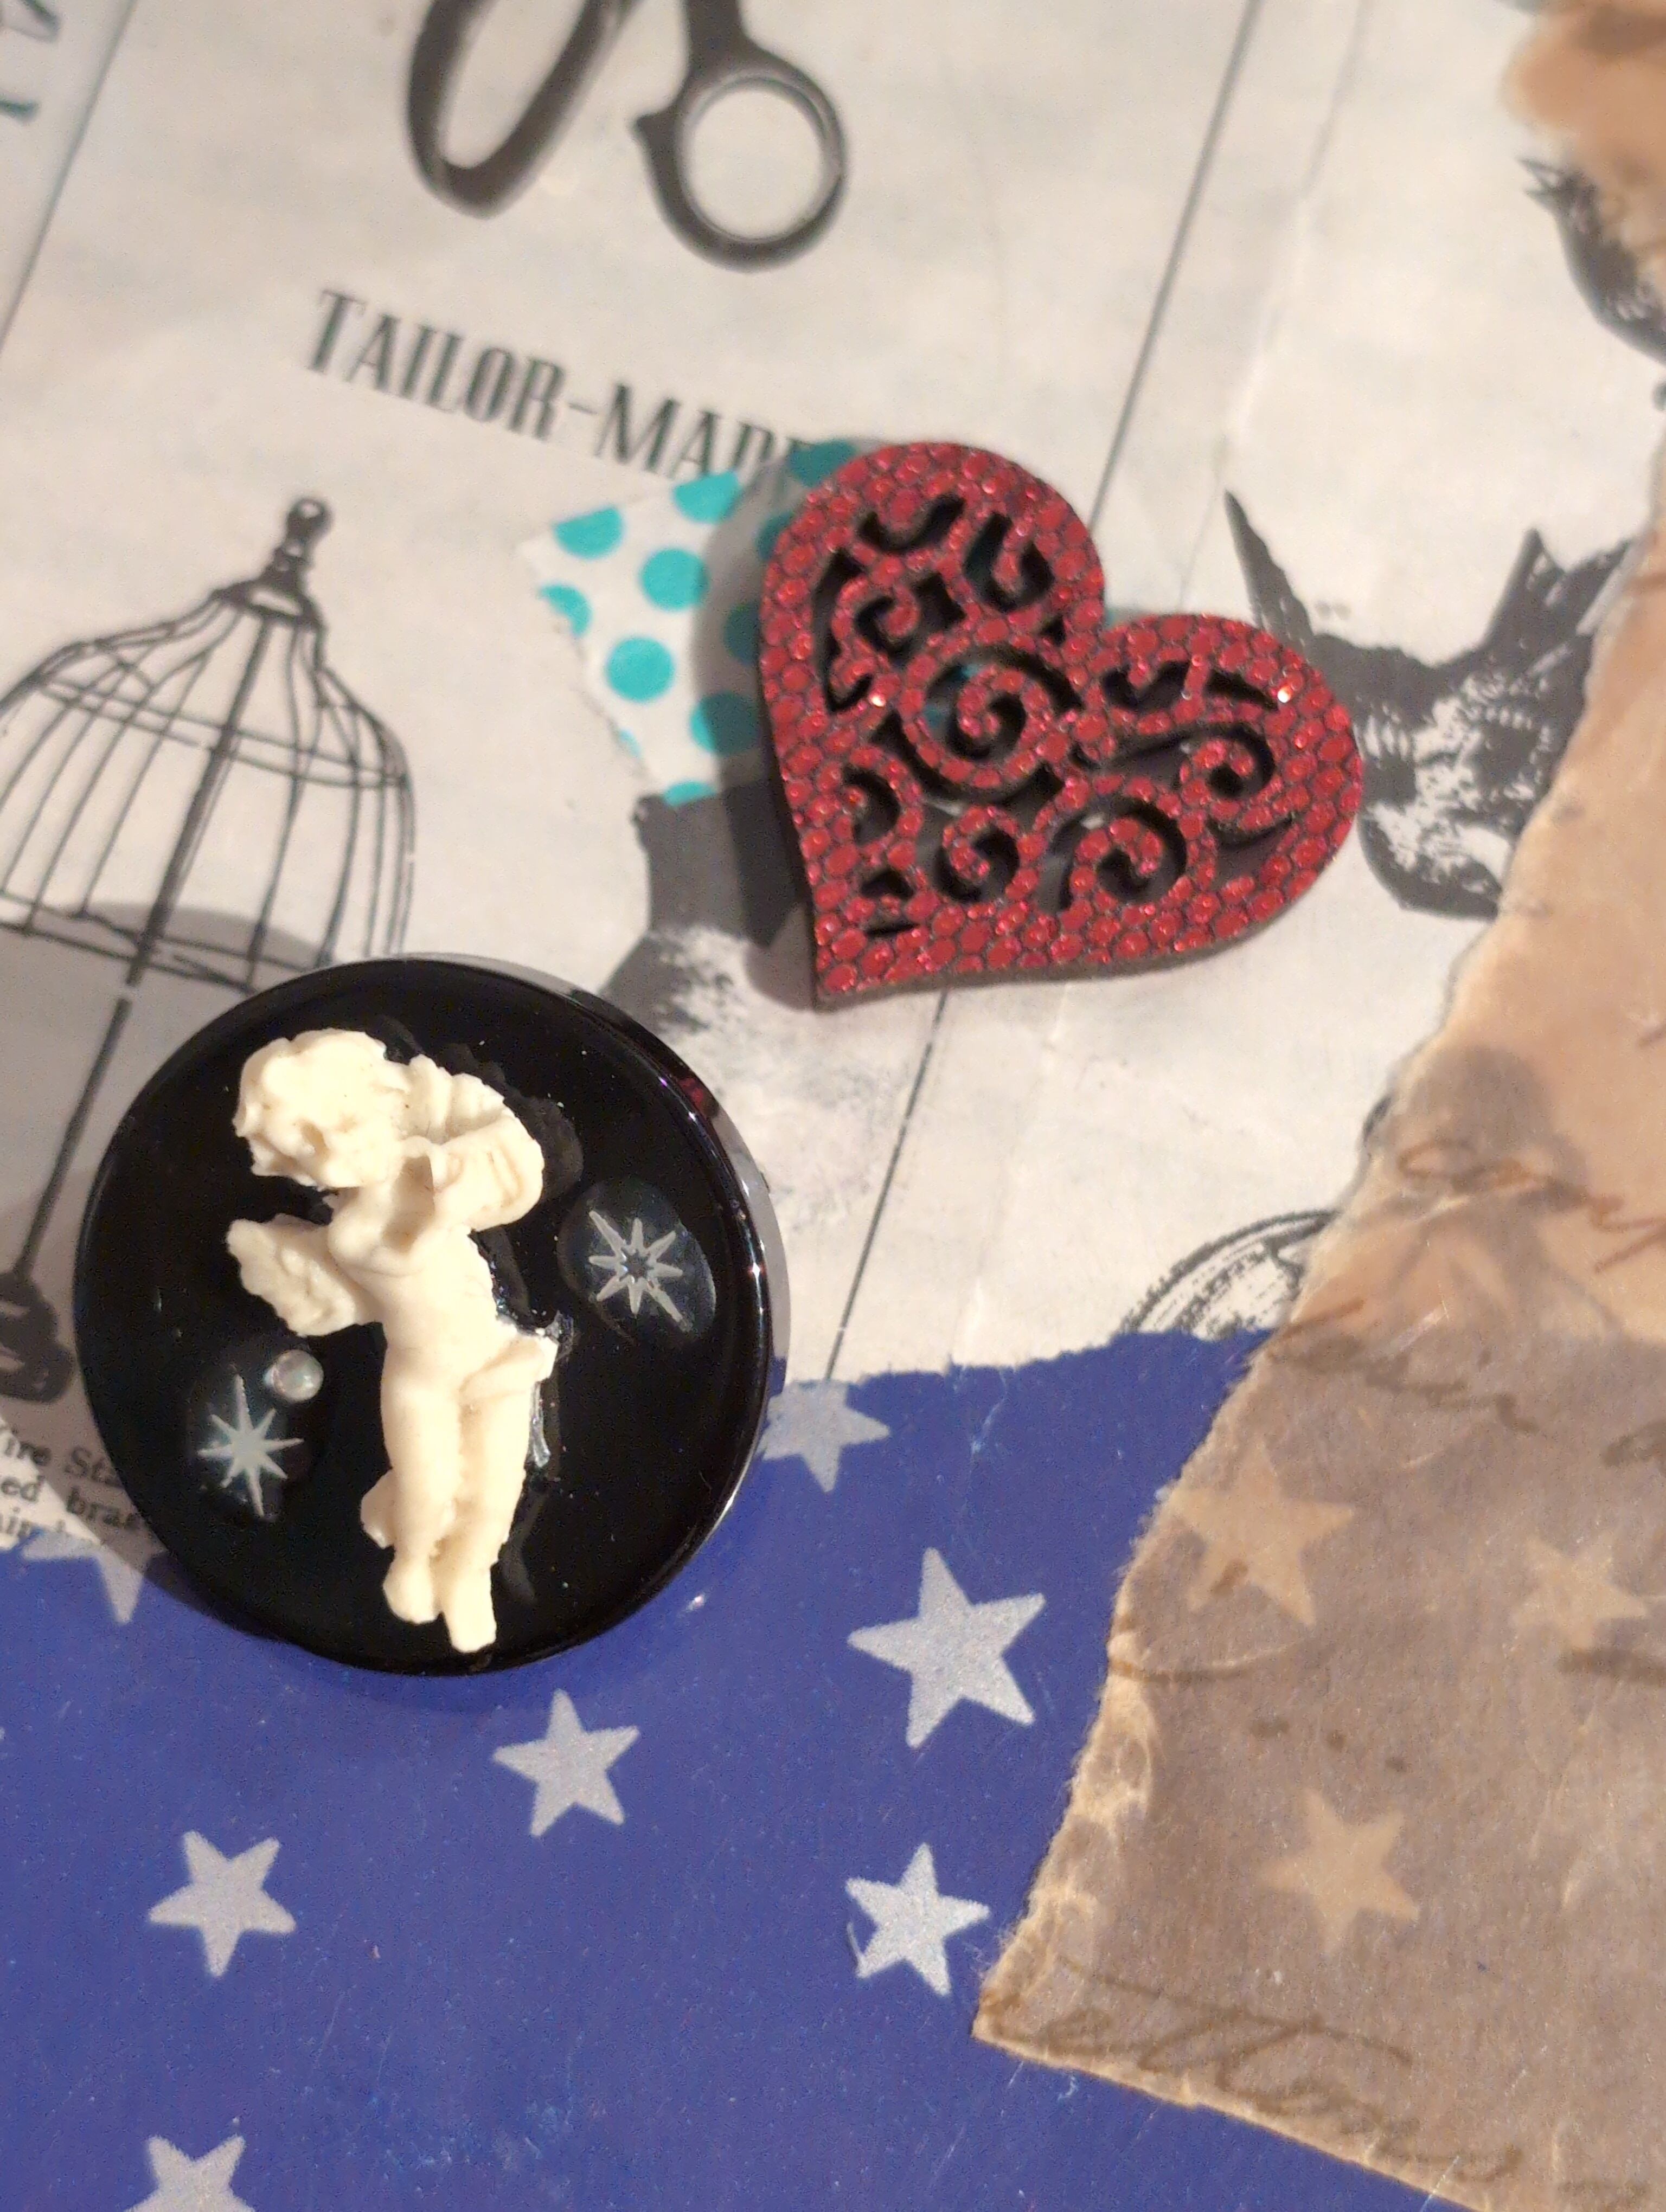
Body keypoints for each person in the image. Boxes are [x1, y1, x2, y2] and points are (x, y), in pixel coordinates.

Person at [225, 1027, 554, 1653]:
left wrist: (454, 1164)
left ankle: (468, 1580)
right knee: (427, 1492)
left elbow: (505, 1173)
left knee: (493, 1494)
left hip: (493, 1354)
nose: (327, 1158)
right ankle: (411, 1567)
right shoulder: (350, 1231)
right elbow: (387, 1267)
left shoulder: (434, 1167)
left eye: (325, 1131)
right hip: (420, 1379)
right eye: (306, 1151)